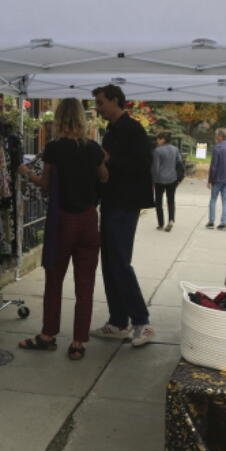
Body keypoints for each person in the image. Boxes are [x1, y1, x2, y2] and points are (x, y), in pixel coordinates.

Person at [16, 98, 107, 360]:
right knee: (85, 285)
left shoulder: (54, 148)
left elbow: (45, 184)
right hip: (90, 220)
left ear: (59, 119)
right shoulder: (93, 149)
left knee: (54, 281)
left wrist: (25, 172)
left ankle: (48, 335)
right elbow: (105, 177)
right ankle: (78, 342)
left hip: (63, 220)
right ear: (82, 119)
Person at [90, 83, 155, 347]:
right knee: (109, 262)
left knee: (119, 261)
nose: (98, 108)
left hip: (125, 204)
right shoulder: (112, 129)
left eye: (101, 103)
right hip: (111, 201)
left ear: (116, 101)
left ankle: (142, 322)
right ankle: (118, 321)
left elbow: (143, 164)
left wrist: (109, 159)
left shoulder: (133, 129)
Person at [207, 127, 226, 230]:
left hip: (217, 179)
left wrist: (210, 180)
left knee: (213, 200)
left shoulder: (217, 148)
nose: (216, 137)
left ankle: (211, 221)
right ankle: (223, 223)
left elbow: (214, 166)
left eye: (217, 135)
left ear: (220, 136)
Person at [151, 131, 181, 232]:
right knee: (171, 200)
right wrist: (179, 178)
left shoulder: (157, 151)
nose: (157, 141)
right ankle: (171, 220)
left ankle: (160, 223)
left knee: (159, 201)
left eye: (158, 139)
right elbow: (179, 163)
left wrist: (153, 181)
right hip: (172, 178)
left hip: (159, 180)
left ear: (162, 139)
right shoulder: (175, 149)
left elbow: (155, 168)